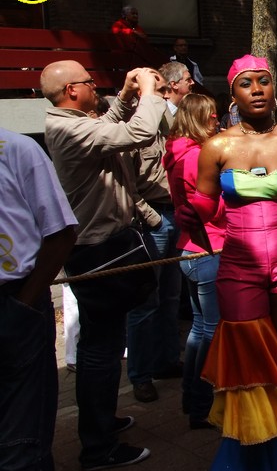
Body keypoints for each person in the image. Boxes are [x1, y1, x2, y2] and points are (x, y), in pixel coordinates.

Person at [180, 54, 277, 469]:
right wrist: (195, 212)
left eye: (263, 81)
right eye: (246, 83)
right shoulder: (216, 147)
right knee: (247, 363)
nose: (256, 89)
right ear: (233, 94)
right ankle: (254, 452)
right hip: (238, 265)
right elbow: (203, 204)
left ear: (275, 89)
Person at [41, 61, 164, 469]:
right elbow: (138, 132)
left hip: (106, 244)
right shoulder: (68, 129)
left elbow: (109, 126)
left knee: (105, 344)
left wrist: (126, 96)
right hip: (97, 250)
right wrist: (148, 92)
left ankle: (103, 423)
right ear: (72, 90)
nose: (96, 87)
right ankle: (97, 447)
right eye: (90, 82)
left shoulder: (75, 123)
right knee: (100, 351)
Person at [0, 128, 77, 471]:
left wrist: (24, 305)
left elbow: (61, 232)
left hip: (14, 305)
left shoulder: (17, 149)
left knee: (22, 439)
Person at [162, 93, 224, 429]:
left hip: (191, 248)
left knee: (200, 328)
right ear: (201, 118)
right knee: (212, 331)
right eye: (212, 116)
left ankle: (191, 398)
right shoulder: (198, 156)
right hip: (208, 247)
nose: (217, 120)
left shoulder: (178, 151)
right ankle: (202, 405)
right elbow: (212, 206)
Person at [126, 70, 182, 404]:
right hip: (154, 220)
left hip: (176, 216)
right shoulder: (133, 133)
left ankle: (166, 360)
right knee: (146, 302)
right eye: (159, 92)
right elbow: (127, 186)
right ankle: (140, 374)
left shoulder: (171, 130)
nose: (165, 97)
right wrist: (152, 218)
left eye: (165, 91)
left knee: (171, 297)